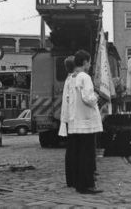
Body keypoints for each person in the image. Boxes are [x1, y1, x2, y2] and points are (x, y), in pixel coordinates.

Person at [67, 50, 103, 194]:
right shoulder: (85, 77)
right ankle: (87, 185)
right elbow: (88, 98)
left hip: (76, 121)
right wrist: (96, 96)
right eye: (89, 62)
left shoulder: (72, 77)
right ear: (84, 62)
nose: (89, 65)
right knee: (87, 155)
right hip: (86, 122)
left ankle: (79, 184)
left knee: (79, 153)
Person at [58, 55, 75, 188]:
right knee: (73, 150)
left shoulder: (68, 79)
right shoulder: (72, 80)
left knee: (71, 150)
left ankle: (71, 178)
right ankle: (72, 178)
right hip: (72, 118)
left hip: (68, 118)